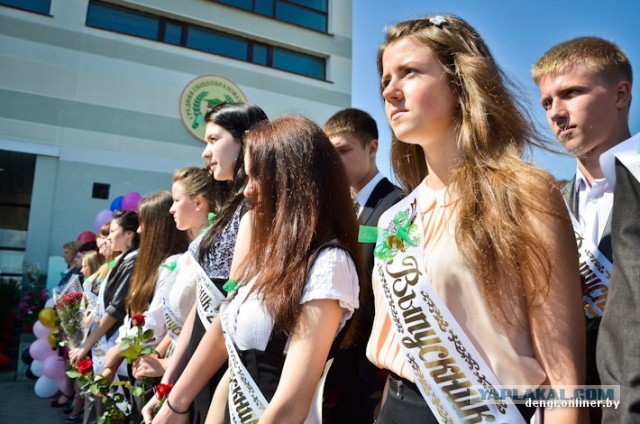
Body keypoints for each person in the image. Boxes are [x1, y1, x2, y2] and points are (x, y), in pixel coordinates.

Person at [366, 15, 585, 423]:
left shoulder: (525, 192)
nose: (391, 91)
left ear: (461, 82)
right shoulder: (395, 218)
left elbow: (563, 376)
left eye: (409, 73)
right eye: (385, 80)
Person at [147, 115, 364, 424]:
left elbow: (292, 403)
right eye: (246, 177)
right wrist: (176, 405)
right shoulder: (268, 255)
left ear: (295, 179)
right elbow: (233, 355)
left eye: (257, 177)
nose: (247, 191)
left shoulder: (329, 264)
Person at [139, 103, 268, 424]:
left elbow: (228, 314)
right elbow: (202, 310)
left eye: (213, 140)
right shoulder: (232, 208)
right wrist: (171, 384)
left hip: (222, 370)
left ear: (247, 140)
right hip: (198, 369)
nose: (205, 153)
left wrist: (178, 396)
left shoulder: (258, 212)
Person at [533, 37, 633, 422]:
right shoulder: (545, 203)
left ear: (620, 94)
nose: (556, 113)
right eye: (546, 102)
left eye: (571, 93)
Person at [323, 107, 403, 422]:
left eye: (343, 151)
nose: (334, 163)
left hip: (374, 373)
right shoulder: (339, 210)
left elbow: (398, 296)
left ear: (372, 149)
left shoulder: (397, 206)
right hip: (340, 369)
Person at [100, 191, 190, 423]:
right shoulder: (152, 264)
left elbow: (155, 322)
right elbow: (133, 317)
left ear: (160, 225)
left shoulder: (176, 263)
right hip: (139, 363)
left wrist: (116, 353)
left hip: (154, 368)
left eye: (144, 222)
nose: (140, 230)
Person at [131, 166, 218, 381]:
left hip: (195, 370)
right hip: (172, 363)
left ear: (198, 202)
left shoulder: (215, 252)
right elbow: (179, 324)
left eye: (177, 200)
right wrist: (158, 353)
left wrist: (168, 363)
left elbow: (209, 322)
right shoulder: (189, 253)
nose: (171, 209)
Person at [69, 210, 140, 424]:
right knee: (99, 406)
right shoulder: (120, 261)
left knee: (111, 410)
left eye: (114, 231)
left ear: (129, 234)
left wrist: (87, 344)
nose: (108, 237)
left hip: (113, 344)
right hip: (102, 342)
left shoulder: (132, 261)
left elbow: (115, 309)